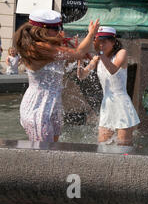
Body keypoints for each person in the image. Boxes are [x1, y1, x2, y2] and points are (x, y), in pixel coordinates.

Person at [14, 9, 99, 142]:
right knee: (43, 152)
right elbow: (78, 53)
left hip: (52, 103)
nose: (58, 31)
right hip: (38, 105)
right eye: (55, 28)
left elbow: (67, 62)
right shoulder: (38, 48)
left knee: (53, 149)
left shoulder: (46, 47)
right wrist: (91, 34)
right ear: (43, 30)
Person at [77, 26, 140, 146]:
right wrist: (79, 58)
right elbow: (81, 75)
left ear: (113, 42)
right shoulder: (97, 58)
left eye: (104, 42)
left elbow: (112, 69)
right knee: (103, 145)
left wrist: (100, 53)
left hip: (122, 104)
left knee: (124, 146)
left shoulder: (122, 53)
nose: (101, 45)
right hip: (107, 105)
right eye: (98, 42)